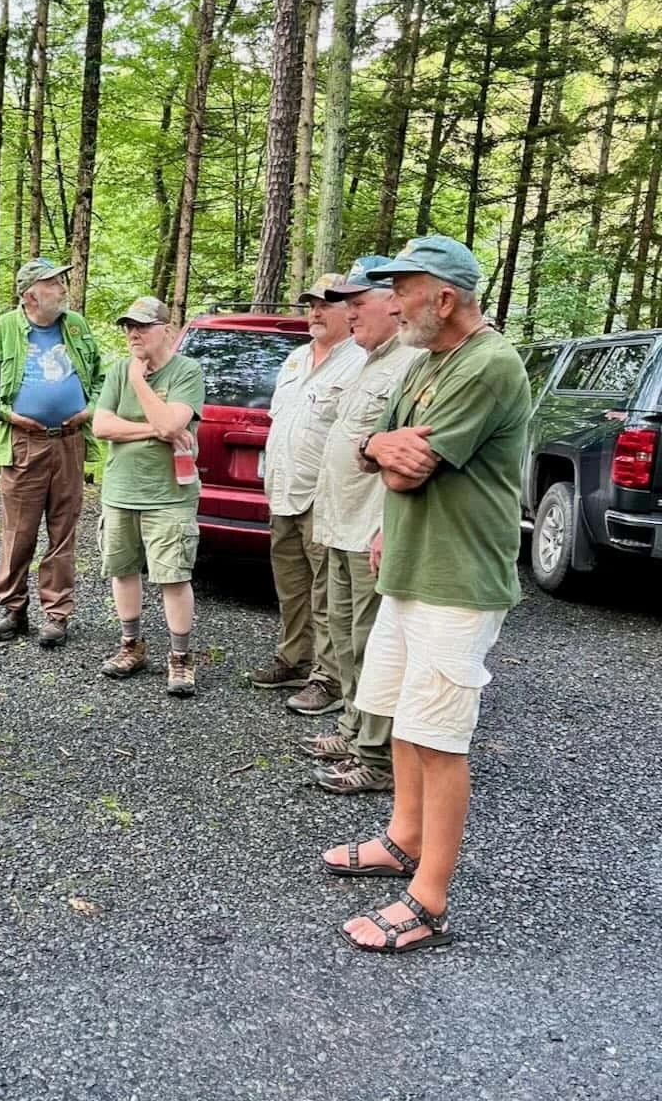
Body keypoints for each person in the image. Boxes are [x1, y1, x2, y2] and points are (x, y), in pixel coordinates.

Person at [321, 235, 531, 954]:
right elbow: (376, 447)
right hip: (409, 568)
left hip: (457, 580)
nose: (391, 302)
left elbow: (411, 470)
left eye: (402, 289)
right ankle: (403, 837)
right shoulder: (426, 361)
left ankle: (429, 899)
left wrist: (385, 455)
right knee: (406, 720)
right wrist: (381, 448)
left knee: (440, 738)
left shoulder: (490, 365)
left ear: (443, 298)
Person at [300, 257, 421, 794]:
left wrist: (385, 527)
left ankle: (376, 755)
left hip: (372, 528)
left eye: (358, 302)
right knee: (347, 639)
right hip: (340, 523)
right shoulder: (371, 361)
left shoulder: (410, 364)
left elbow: (411, 458)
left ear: (393, 304)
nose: (348, 313)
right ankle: (353, 729)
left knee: (374, 644)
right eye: (344, 303)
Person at [0, 258, 104, 648]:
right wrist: (11, 416)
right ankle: (14, 610)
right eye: (54, 283)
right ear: (31, 295)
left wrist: (90, 409)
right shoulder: (6, 329)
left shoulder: (75, 326)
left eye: (62, 282)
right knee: (19, 531)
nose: (63, 289)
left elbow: (99, 376)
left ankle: (57, 614)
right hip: (24, 442)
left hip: (70, 440)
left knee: (63, 529)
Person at [249, 274, 365, 714]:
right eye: (311, 304)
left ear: (349, 310)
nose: (315, 312)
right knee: (291, 586)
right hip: (283, 492)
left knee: (328, 593)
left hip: (325, 495)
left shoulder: (358, 361)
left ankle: (328, 677)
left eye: (326, 304)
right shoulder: (296, 358)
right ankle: (293, 657)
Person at [92, 297, 206, 697]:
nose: (133, 334)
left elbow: (172, 421)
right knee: (122, 570)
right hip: (120, 490)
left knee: (173, 576)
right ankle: (131, 645)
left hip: (169, 495)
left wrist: (140, 382)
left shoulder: (186, 371)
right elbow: (102, 426)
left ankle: (180, 657)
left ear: (166, 329)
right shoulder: (116, 372)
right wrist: (153, 430)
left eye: (141, 326)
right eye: (127, 327)